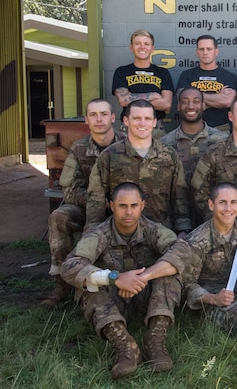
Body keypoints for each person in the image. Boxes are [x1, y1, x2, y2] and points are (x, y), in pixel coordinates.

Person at [135, 183, 237, 364]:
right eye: (222, 202)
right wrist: (213, 298)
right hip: (217, 297)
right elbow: (187, 285)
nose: (228, 208)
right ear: (211, 205)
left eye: (233, 203)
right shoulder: (198, 240)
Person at [61, 182, 181, 379]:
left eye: (134, 206)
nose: (129, 212)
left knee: (169, 272)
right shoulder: (100, 234)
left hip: (147, 298)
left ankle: (155, 340)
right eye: (122, 206)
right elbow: (70, 266)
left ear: (142, 206)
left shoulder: (153, 230)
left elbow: (181, 251)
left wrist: (143, 277)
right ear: (111, 206)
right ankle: (125, 345)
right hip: (113, 301)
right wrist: (114, 278)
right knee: (88, 284)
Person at [42, 98, 122, 307]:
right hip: (87, 207)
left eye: (103, 114)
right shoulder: (79, 149)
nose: (99, 119)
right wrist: (98, 202)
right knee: (59, 217)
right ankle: (62, 284)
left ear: (113, 118)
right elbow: (69, 189)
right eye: (93, 115)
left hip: (122, 208)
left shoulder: (125, 144)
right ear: (86, 120)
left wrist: (117, 204)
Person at [85, 100, 189, 235]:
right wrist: (92, 236)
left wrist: (183, 231)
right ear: (126, 121)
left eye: (147, 118)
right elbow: (96, 202)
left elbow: (180, 198)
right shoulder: (109, 156)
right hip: (120, 238)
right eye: (137, 118)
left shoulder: (169, 156)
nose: (142, 123)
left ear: (154, 122)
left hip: (161, 236)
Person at [160, 87, 228, 226]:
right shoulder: (165, 144)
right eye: (185, 101)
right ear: (178, 106)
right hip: (176, 220)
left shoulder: (222, 141)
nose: (190, 106)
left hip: (213, 219)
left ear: (203, 105)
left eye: (196, 101)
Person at [112, 29, 174, 127]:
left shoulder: (162, 73)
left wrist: (132, 99)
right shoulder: (122, 71)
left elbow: (166, 104)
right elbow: (123, 100)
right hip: (129, 126)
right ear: (131, 47)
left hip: (156, 127)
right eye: (138, 43)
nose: (142, 47)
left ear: (152, 48)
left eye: (146, 44)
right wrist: (152, 95)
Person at [176, 34, 237, 130]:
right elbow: (182, 98)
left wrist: (195, 99)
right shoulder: (187, 75)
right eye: (201, 49)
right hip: (192, 128)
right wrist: (217, 97)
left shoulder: (228, 76)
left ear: (216, 51)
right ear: (197, 52)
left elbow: (227, 101)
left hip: (221, 128)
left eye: (209, 49)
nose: (205, 52)